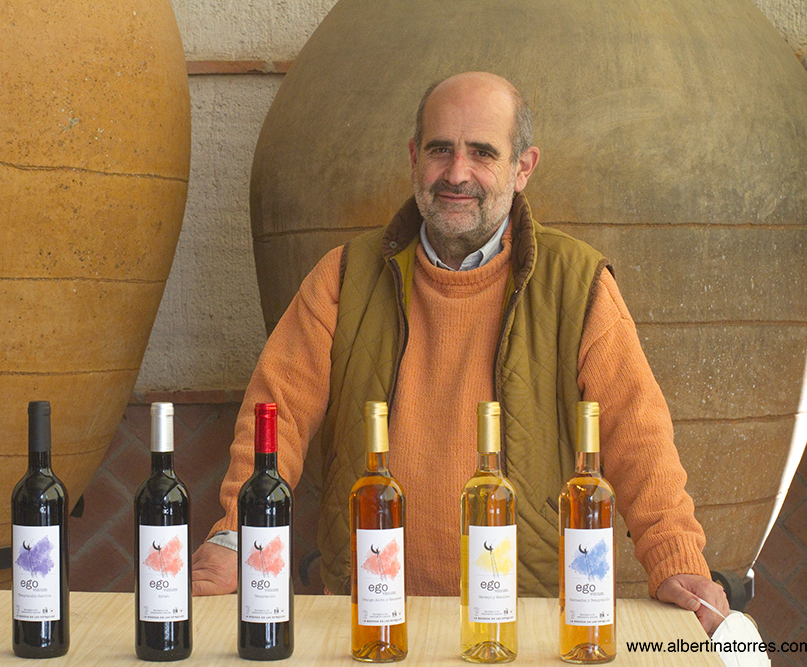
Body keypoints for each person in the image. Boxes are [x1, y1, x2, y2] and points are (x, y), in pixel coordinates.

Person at [191, 72, 729, 634]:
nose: (456, 173)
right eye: (440, 149)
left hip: (525, 621)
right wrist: (238, 538)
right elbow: (276, 412)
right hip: (373, 613)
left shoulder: (576, 285)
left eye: (482, 153)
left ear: (523, 168)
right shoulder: (344, 277)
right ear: (413, 157)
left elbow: (637, 434)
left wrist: (676, 559)